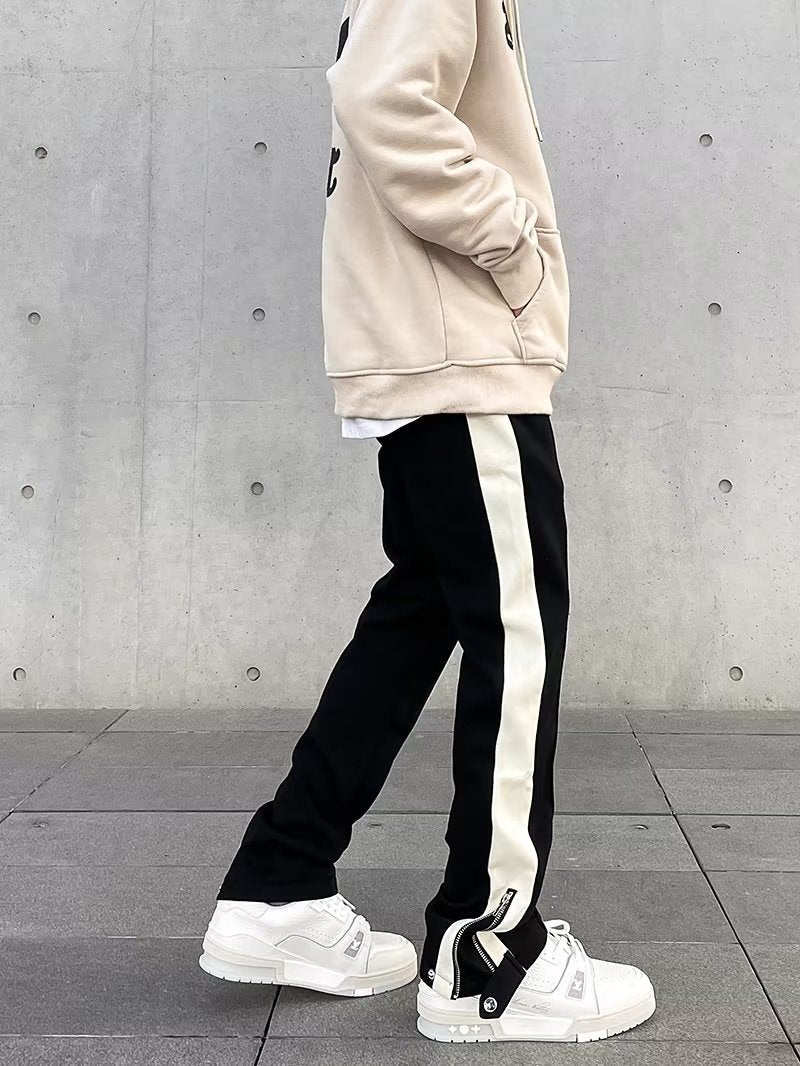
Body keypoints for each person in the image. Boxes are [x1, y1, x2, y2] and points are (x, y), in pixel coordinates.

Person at [200, 0, 656, 1043]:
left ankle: (280, 879)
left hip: (424, 340)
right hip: (459, 349)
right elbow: (381, 99)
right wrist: (516, 249)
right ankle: (487, 948)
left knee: (421, 609)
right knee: (517, 627)